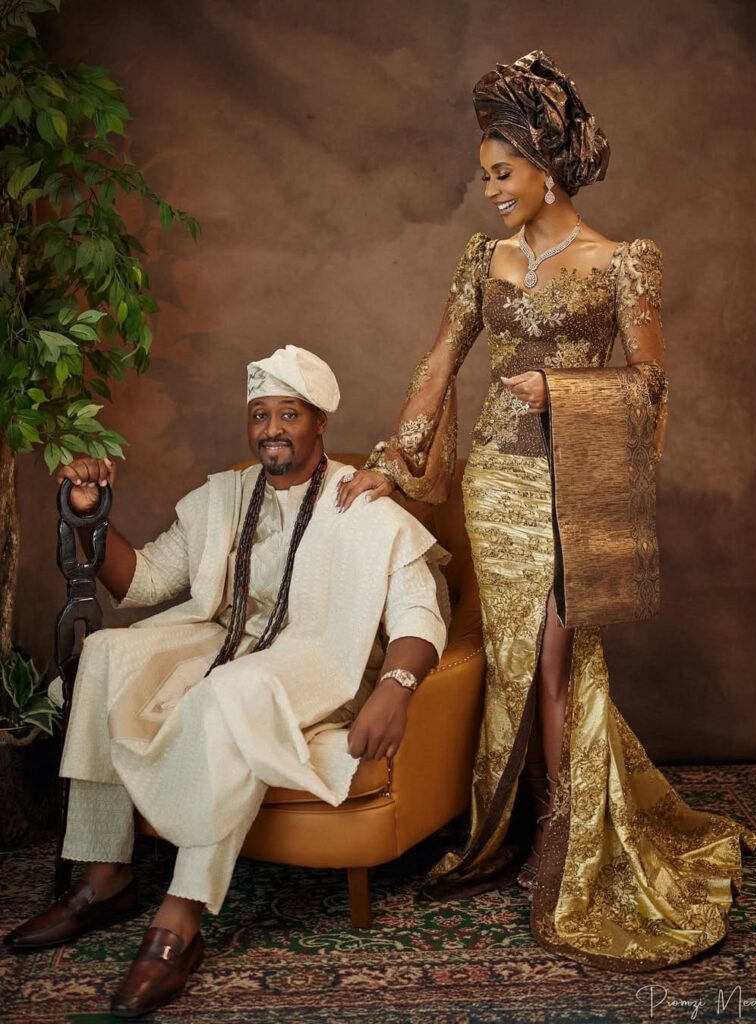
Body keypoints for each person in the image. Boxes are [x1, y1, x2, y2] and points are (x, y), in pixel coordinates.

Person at [337, 51, 756, 971]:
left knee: (556, 659)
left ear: (546, 166)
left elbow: (650, 387)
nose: (489, 190)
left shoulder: (623, 264)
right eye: (484, 175)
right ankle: (530, 826)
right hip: (496, 481)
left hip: (575, 484)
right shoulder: (481, 260)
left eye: (502, 173)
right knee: (517, 662)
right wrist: (390, 467)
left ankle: (569, 853)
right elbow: (440, 364)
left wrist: (562, 389)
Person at [4, 345, 448, 1016]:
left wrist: (397, 686)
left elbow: (419, 611)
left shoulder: (364, 504)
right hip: (228, 641)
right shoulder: (225, 496)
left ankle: (178, 922)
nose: (272, 428)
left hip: (318, 662)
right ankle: (104, 877)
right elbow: (143, 581)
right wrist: (90, 513)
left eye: (289, 414)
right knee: (104, 656)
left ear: (319, 422)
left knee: (229, 693)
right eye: (261, 414)